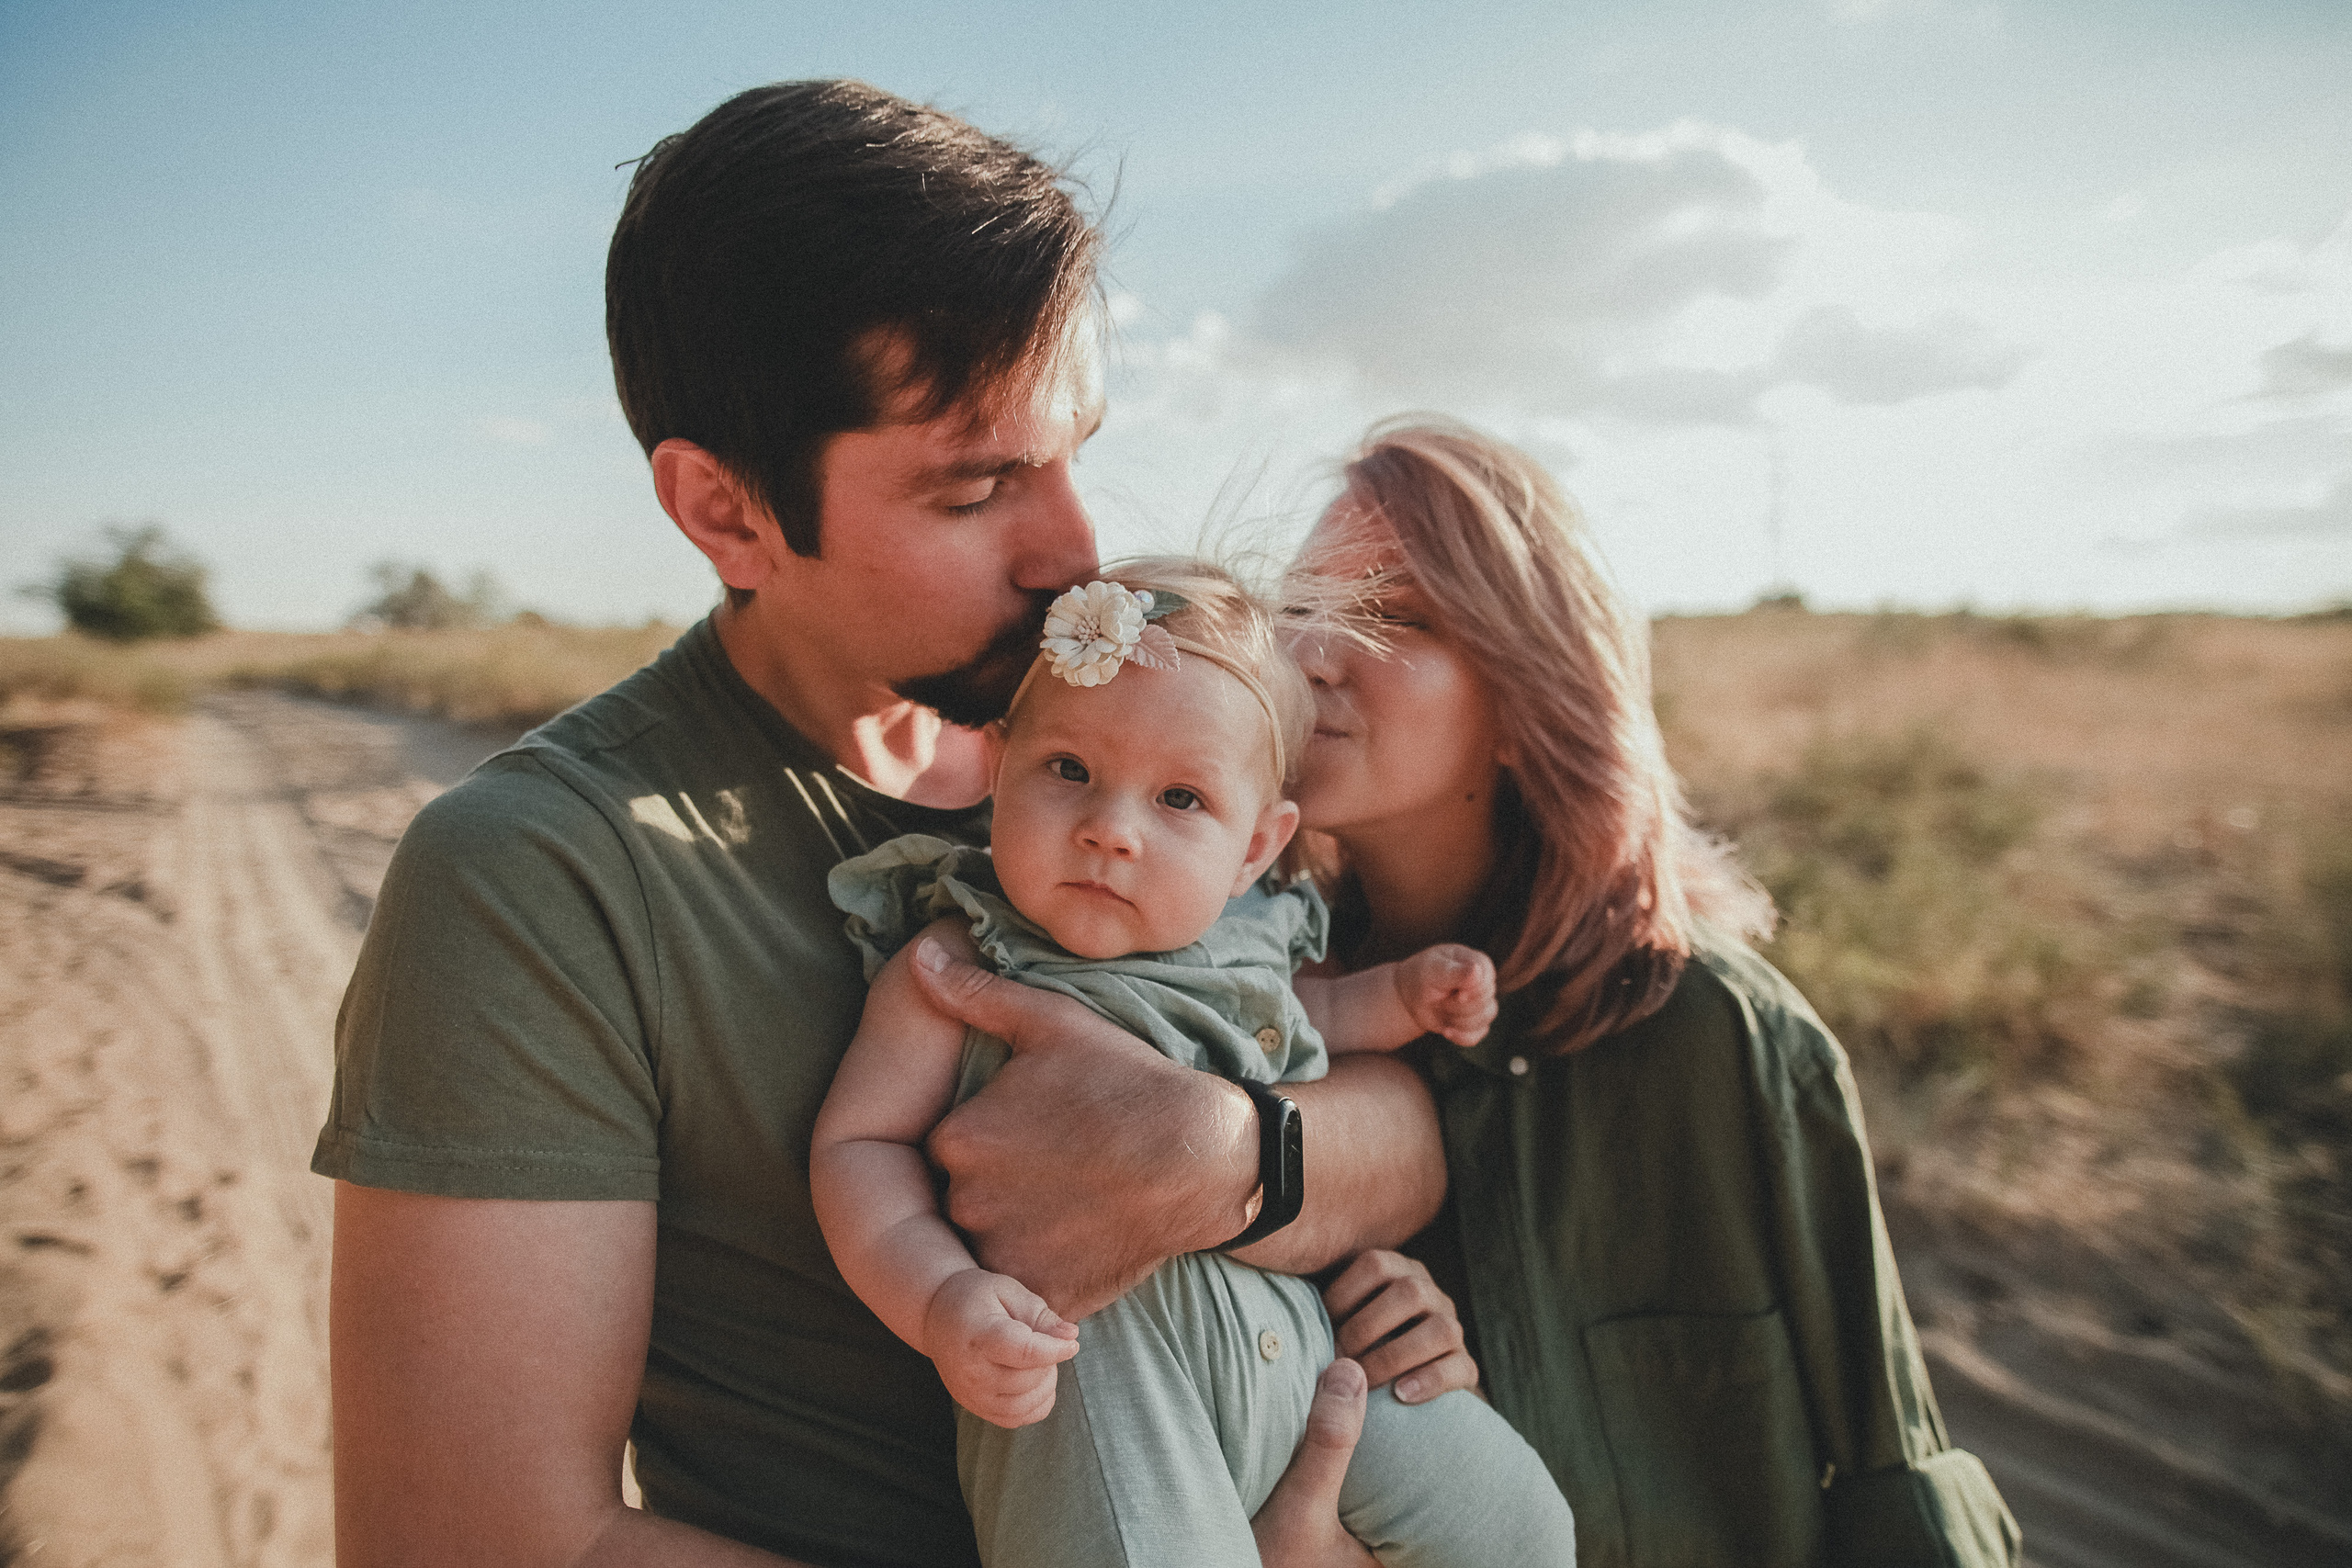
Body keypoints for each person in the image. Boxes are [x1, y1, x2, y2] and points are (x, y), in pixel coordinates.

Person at [314, 84, 1461, 1568]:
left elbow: (1405, 1124)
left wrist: (1234, 1157)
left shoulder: (1151, 740)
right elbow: (472, 1540)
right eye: (979, 487)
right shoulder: (544, 874)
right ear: (726, 511)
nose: (1076, 551)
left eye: (1074, 450)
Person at [1273, 417, 2026, 1568]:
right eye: (1299, 605)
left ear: (1528, 700)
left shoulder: (1721, 1033)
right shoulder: (1253, 1004)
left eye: (1399, 615)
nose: (1315, 652)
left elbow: (1893, 1476)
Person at [810, 563, 1576, 1568]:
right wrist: (938, 1295)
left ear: (1256, 847)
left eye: (1179, 797)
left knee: (1524, 1528)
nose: (1111, 830)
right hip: (1096, 1380)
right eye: (1068, 769)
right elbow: (860, 1146)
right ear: (997, 766)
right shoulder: (957, 965)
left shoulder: (1251, 946)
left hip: (1310, 1358)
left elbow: (1318, 1019)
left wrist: (1406, 995)